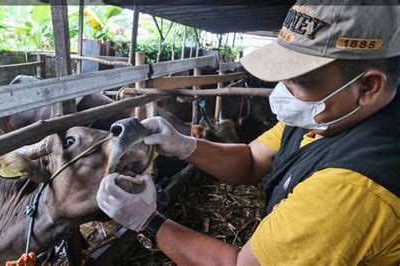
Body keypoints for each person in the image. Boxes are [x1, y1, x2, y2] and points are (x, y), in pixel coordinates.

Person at [97, 1, 400, 265]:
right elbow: (254, 159)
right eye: (283, 77)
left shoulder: (353, 188)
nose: (284, 92)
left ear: (368, 87)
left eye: (301, 82)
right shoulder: (327, 115)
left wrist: (148, 223)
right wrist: (185, 145)